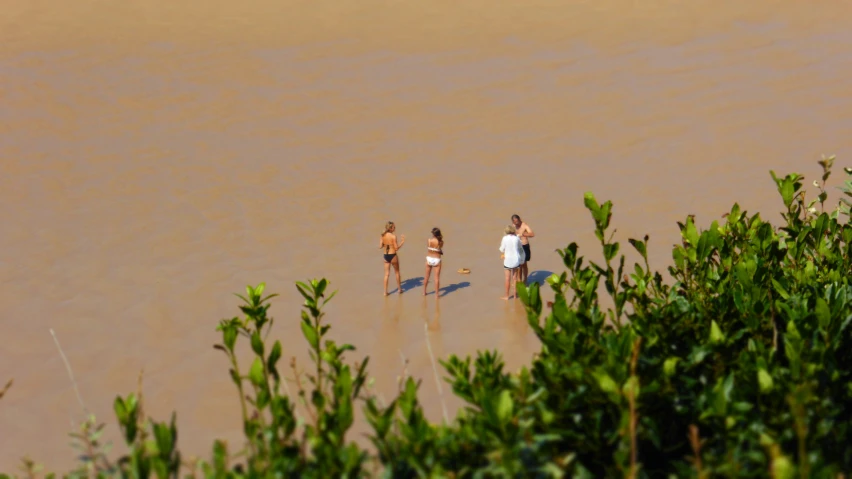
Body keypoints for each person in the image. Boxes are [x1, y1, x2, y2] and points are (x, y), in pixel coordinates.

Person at [499, 224, 525, 300]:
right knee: (515, 278)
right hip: (516, 260)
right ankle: (515, 296)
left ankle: (507, 296)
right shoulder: (517, 238)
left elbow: (502, 249)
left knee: (507, 278)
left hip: (508, 261)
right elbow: (520, 248)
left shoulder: (504, 238)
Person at [379, 221, 405, 296]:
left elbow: (380, 246)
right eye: (394, 227)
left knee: (386, 274)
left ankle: (385, 292)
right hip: (393, 255)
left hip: (385, 255)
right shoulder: (393, 236)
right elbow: (396, 248)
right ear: (390, 228)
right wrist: (402, 242)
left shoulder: (382, 235)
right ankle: (399, 289)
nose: (395, 228)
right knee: (397, 272)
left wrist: (385, 243)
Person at [512, 214, 535, 284]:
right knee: (519, 264)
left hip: (524, 246)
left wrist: (524, 234)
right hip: (517, 247)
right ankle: (519, 280)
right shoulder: (513, 226)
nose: (516, 223)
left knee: (524, 264)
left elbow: (532, 234)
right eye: (514, 222)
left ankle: (525, 279)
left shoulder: (524, 225)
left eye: (517, 222)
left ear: (519, 220)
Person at [423, 227, 444, 296]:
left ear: (433, 234)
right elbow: (439, 249)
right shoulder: (441, 242)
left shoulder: (429, 240)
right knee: (436, 278)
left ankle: (424, 292)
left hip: (429, 258)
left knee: (426, 276)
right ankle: (437, 294)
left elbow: (429, 248)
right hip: (436, 259)